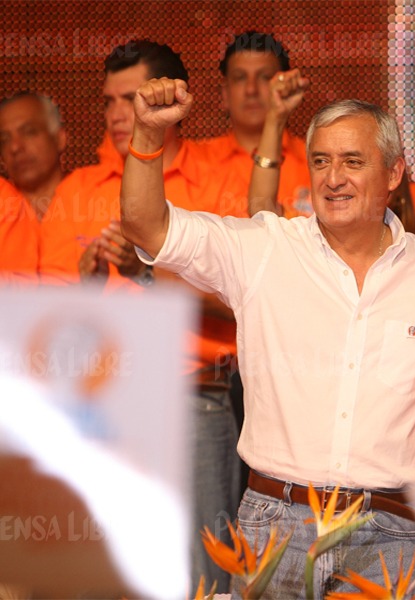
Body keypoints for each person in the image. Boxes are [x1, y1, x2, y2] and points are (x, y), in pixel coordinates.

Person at [119, 76, 415, 597]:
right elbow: (147, 226)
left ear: (394, 172)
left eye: (352, 161)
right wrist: (147, 136)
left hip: (388, 534)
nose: (333, 178)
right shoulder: (265, 250)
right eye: (321, 161)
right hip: (274, 525)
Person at [37, 40, 242, 592]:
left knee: (207, 570)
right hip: (101, 405)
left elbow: (240, 302)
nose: (117, 114)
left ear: (173, 99)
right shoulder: (78, 190)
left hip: (195, 396)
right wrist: (88, 281)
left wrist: (150, 269)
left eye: (132, 98)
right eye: (109, 101)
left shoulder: (220, 181)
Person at [192, 31, 311, 218]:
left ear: (287, 85)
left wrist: (276, 116)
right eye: (240, 78)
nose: (251, 90)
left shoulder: (315, 161)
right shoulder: (192, 163)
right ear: (224, 94)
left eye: (265, 77)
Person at [0, 92, 67, 222]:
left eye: (29, 132)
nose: (15, 147)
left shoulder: (100, 200)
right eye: (4, 140)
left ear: (59, 139)